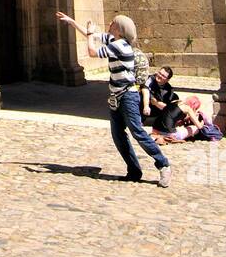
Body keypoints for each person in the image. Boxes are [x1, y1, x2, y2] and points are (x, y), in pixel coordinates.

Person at [56, 10, 171, 188]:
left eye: (113, 23)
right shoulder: (114, 40)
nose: (109, 23)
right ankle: (134, 171)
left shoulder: (120, 46)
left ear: (119, 29)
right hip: (116, 97)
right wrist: (72, 22)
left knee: (137, 132)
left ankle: (163, 164)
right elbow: (92, 36)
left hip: (128, 96)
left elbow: (92, 52)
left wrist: (89, 35)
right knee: (118, 135)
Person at [144, 65, 180, 135]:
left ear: (167, 80)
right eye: (159, 73)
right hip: (145, 109)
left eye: (163, 76)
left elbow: (168, 109)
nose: (160, 76)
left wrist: (156, 103)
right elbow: (145, 90)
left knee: (175, 98)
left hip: (157, 113)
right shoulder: (150, 79)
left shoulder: (169, 90)